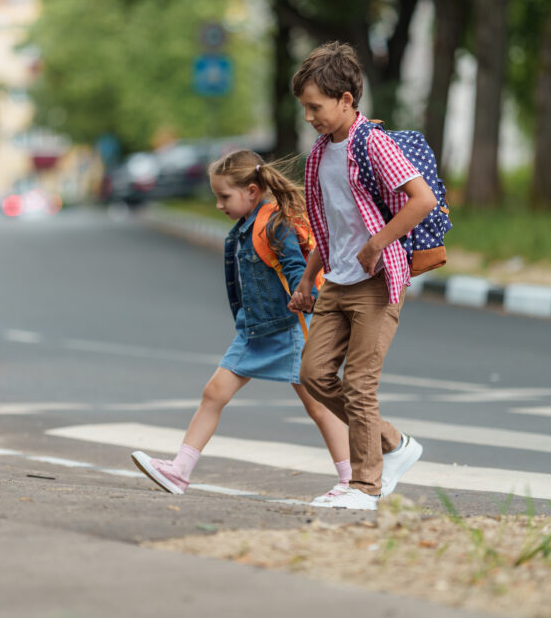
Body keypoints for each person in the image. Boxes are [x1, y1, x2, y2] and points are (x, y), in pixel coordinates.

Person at [131, 149, 353, 504]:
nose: (219, 205)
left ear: (251, 191)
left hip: (290, 329)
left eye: (224, 196)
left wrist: (304, 294)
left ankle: (352, 479)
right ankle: (179, 471)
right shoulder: (244, 228)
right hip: (254, 331)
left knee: (318, 406)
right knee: (214, 393)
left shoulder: (275, 224)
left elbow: (299, 270)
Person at [288, 41, 437, 511]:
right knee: (313, 375)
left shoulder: (373, 143)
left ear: (346, 100)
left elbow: (422, 199)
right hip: (337, 281)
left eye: (316, 107)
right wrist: (309, 277)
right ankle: (394, 444)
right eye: (305, 108)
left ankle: (366, 487)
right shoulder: (317, 154)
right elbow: (327, 222)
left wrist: (378, 243)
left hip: (378, 282)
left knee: (359, 384)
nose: (310, 116)